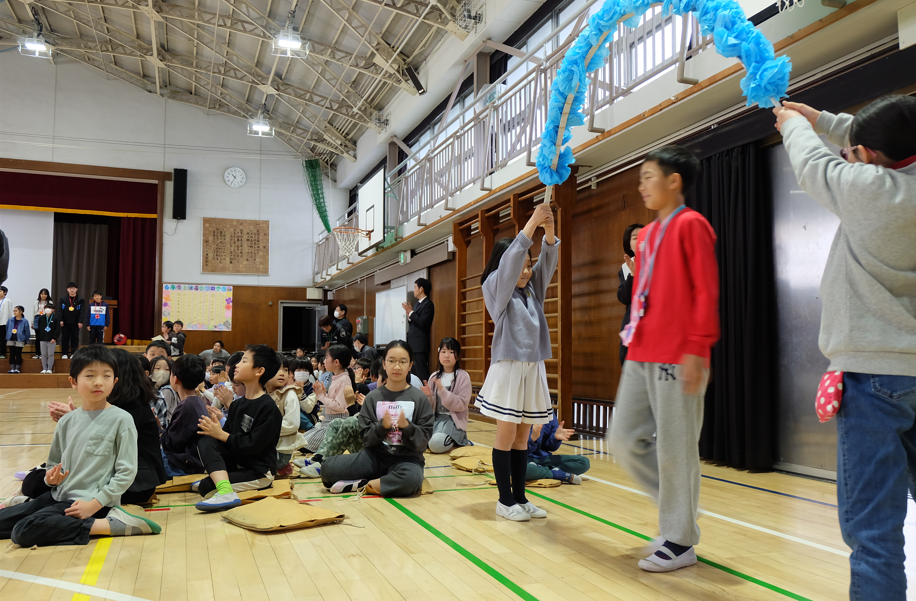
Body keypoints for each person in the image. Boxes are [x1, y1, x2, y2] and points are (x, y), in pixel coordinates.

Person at [774, 96, 916, 600]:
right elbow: (880, 138)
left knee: (874, 532)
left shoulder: (870, 188)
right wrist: (822, 120)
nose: (848, 156)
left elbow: (813, 165)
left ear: (870, 157)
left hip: (873, 377)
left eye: (853, 151)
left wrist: (793, 124)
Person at [609, 146, 719, 573]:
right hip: (641, 350)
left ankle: (680, 538)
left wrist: (697, 348)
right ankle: (681, 513)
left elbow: (705, 291)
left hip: (679, 353)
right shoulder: (649, 234)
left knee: (675, 447)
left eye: (648, 177)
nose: (641, 185)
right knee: (623, 438)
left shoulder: (692, 225)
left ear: (674, 181)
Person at [0, 346, 161, 546]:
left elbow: (126, 472)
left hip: (92, 502)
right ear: (73, 381)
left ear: (114, 382)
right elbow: (53, 464)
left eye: (106, 376)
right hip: (58, 496)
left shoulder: (122, 419)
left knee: (23, 531)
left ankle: (110, 524)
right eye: (90, 375)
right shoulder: (67, 421)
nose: (98, 382)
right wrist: (51, 479)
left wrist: (94, 504)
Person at [475, 203, 558, 522]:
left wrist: (548, 230)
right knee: (506, 436)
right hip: (508, 367)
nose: (526, 271)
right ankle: (504, 500)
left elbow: (547, 263)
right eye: (520, 266)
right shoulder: (495, 288)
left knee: (523, 438)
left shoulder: (532, 290)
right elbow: (510, 265)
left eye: (528, 266)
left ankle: (521, 498)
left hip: (533, 367)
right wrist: (532, 223)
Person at [322, 340, 434, 497]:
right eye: (392, 361)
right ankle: (381, 482)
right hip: (374, 457)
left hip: (407, 460)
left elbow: (423, 441)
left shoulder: (420, 398)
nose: (397, 367)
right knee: (327, 469)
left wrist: (407, 427)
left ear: (410, 366)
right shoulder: (372, 397)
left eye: (403, 362)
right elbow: (366, 438)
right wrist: (382, 427)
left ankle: (365, 485)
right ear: (384, 364)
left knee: (412, 480)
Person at [193, 345, 283, 512]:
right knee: (206, 440)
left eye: (244, 361)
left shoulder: (268, 407)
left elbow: (253, 446)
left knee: (206, 487)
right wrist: (215, 431)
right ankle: (224, 486)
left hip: (259, 471)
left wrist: (221, 434)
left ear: (259, 371)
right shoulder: (237, 404)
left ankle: (225, 491)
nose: (237, 365)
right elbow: (227, 441)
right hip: (237, 463)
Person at [300, 345, 357, 455]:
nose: (324, 361)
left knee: (304, 444)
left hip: (337, 422)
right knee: (301, 441)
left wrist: (321, 396)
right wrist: (323, 394)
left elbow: (339, 406)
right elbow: (333, 401)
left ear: (336, 362)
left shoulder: (344, 379)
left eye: (326, 357)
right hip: (329, 420)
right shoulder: (337, 378)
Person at [160, 354, 209, 478]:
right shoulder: (196, 401)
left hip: (184, 465)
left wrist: (159, 429)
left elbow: (170, 444)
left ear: (175, 379)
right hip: (191, 461)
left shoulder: (187, 405)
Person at [423, 337, 472, 454]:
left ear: (457, 356)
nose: (446, 355)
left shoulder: (463, 376)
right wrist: (428, 396)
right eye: (443, 351)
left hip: (453, 422)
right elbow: (430, 408)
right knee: (415, 439)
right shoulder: (434, 376)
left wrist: (442, 391)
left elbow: (461, 405)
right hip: (435, 421)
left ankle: (458, 440)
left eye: (451, 352)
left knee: (435, 444)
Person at [267, 354, 306, 478]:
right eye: (277, 369)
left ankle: (280, 466)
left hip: (280, 452)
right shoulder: (262, 393)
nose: (282, 373)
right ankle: (281, 468)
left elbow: (292, 424)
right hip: (267, 447)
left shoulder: (289, 393)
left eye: (285, 370)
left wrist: (262, 430)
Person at [527, 413, 589, 484]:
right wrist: (532, 439)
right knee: (519, 468)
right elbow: (519, 450)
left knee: (584, 462)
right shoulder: (520, 414)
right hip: (525, 459)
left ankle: (542, 471)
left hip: (545, 459)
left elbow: (551, 447)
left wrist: (555, 438)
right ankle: (555, 473)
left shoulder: (550, 414)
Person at [617, 223, 644, 365]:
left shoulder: (658, 260)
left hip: (654, 321)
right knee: (625, 355)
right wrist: (633, 275)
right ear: (629, 245)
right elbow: (624, 297)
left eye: (643, 236)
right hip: (632, 321)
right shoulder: (625, 268)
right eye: (635, 237)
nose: (640, 239)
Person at [402, 278, 435, 381]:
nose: (413, 290)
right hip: (413, 344)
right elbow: (414, 321)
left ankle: (427, 390)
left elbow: (423, 322)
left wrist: (411, 312)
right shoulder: (417, 305)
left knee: (422, 372)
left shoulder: (428, 304)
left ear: (421, 289)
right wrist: (410, 315)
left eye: (415, 287)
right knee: (413, 373)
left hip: (420, 345)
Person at [58, 282, 85, 359]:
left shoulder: (80, 299)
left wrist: (80, 321)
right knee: (65, 338)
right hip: (65, 322)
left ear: (76, 289)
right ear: (67, 290)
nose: (72, 290)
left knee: (75, 338)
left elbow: (82, 312)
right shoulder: (63, 299)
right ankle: (64, 353)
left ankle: (74, 353)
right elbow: (60, 310)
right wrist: (61, 320)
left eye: (73, 288)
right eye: (70, 289)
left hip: (75, 323)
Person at [148, 356, 173, 428]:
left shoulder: (167, 391)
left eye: (167, 369)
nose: (162, 372)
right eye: (157, 368)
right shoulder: (149, 390)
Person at [37, 301, 60, 374]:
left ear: (53, 310)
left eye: (49, 308)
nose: (47, 309)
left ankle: (49, 369)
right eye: (46, 308)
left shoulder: (56, 318)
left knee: (50, 354)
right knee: (43, 354)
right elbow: (39, 328)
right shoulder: (41, 318)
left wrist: (55, 338)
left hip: (52, 339)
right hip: (43, 339)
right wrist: (40, 337)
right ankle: (44, 368)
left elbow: (57, 329)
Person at [6, 305, 30, 374]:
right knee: (12, 354)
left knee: (18, 354)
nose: (14, 312)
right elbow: (7, 328)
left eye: (16, 311)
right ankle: (12, 368)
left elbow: (27, 331)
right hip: (10, 339)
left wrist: (26, 340)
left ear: (21, 312)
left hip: (20, 339)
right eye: (14, 311)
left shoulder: (24, 321)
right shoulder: (10, 320)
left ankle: (17, 369)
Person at [32, 288, 51, 359]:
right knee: (38, 337)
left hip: (46, 318)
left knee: (45, 337)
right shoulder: (36, 302)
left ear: (47, 295)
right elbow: (33, 312)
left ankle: (44, 354)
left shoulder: (50, 302)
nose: (43, 295)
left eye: (45, 294)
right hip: (37, 318)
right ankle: (37, 354)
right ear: (40, 294)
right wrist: (32, 322)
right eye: (42, 294)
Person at [0, 285, 11, 360]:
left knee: (2, 339)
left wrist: (9, 322)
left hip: (3, 322)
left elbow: (9, 312)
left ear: (5, 292)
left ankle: (2, 353)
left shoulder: (7, 301)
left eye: (0, 291)